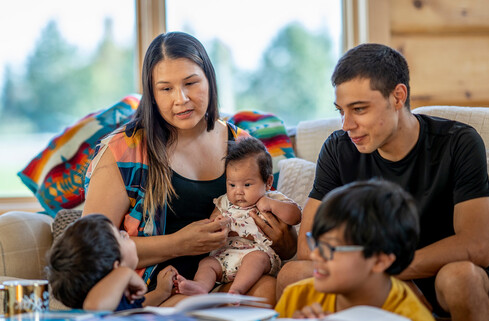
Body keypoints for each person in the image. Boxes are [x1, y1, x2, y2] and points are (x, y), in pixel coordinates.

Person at [276, 43, 489, 320]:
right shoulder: (338, 148)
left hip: (437, 271)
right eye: (341, 110)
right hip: (367, 271)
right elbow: (308, 245)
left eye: (359, 109)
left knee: (460, 276)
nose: (346, 124)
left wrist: (391, 271)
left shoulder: (458, 142)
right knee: (292, 274)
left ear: (398, 97)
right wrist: (379, 277)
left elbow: (476, 247)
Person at [82, 31, 296, 306]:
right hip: (159, 287)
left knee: (267, 289)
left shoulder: (241, 144)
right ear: (152, 93)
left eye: (191, 83)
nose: (180, 99)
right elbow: (91, 250)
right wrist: (179, 243)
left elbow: (283, 239)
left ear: (209, 79)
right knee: (186, 306)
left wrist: (283, 238)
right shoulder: (124, 150)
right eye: (166, 88)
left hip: (229, 274)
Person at [275, 180, 434, 320]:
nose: (315, 254)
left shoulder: (411, 317)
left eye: (330, 247)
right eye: (316, 243)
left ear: (379, 261)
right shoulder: (297, 297)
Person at [176, 137, 301, 296]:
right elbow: (212, 222)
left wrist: (271, 205)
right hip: (225, 256)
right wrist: (218, 223)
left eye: (247, 185)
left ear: (268, 182)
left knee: (256, 259)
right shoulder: (224, 202)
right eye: (232, 185)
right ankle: (200, 287)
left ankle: (237, 289)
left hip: (257, 253)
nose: (238, 191)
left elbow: (295, 216)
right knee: (207, 263)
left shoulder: (272, 198)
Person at [46, 214, 178, 310]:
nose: (126, 234)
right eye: (121, 236)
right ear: (116, 266)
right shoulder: (98, 305)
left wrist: (160, 293)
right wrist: (124, 272)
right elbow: (95, 307)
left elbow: (133, 309)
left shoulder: (116, 299)